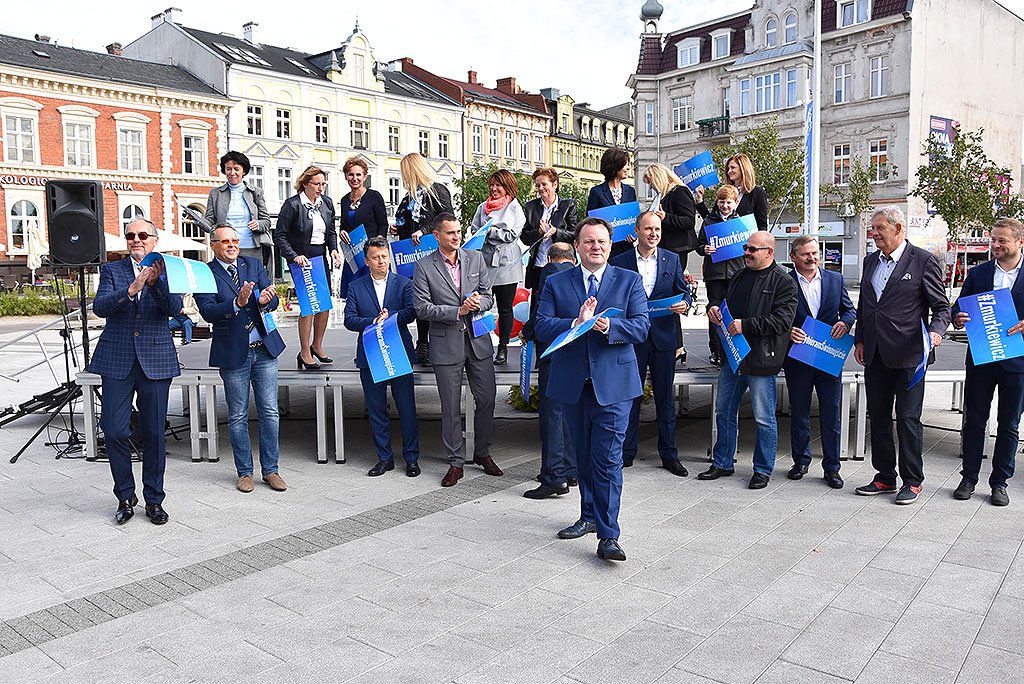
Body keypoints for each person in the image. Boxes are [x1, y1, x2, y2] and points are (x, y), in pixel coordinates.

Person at [535, 217, 651, 562]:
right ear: (577, 246)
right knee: (583, 458)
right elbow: (541, 326)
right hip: (573, 385)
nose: (595, 247)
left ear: (610, 245)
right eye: (588, 241)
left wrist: (607, 325)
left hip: (614, 386)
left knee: (608, 460)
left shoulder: (629, 280)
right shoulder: (557, 282)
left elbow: (641, 327)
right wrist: (576, 323)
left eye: (601, 241)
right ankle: (588, 516)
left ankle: (609, 535)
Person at [854, 206, 951, 504]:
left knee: (908, 418)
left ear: (898, 229)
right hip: (875, 354)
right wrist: (860, 340)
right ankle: (885, 476)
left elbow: (942, 307)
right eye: (872, 228)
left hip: (910, 355)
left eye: (879, 228)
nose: (874, 233)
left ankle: (912, 480)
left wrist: (935, 332)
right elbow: (865, 305)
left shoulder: (923, 260)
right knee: (879, 417)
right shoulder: (871, 261)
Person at [89, 219, 182, 525]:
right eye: (130, 236)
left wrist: (153, 285)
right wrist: (131, 290)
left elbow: (174, 308)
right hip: (117, 359)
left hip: (155, 359)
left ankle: (154, 500)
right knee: (114, 430)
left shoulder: (169, 269)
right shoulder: (111, 270)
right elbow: (100, 307)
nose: (136, 240)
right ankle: (125, 495)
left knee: (154, 433)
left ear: (154, 240)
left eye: (143, 235)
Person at [699, 231, 798, 489]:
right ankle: (723, 462)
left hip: (762, 360)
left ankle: (763, 469)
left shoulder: (784, 281)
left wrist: (747, 325)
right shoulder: (739, 275)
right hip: (734, 358)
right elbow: (725, 304)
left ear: (769, 252)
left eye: (752, 249)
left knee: (764, 418)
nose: (746, 253)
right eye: (746, 247)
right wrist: (714, 307)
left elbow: (783, 322)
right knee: (723, 411)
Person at [412, 212, 503, 487]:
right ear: (437, 235)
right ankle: (455, 461)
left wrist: (479, 303)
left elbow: (488, 296)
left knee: (487, 399)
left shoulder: (475, 258)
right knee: (450, 407)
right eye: (450, 233)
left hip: (478, 341)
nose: (457, 237)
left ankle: (482, 452)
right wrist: (457, 311)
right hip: (445, 343)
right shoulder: (424, 266)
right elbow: (422, 308)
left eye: (459, 232)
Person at [195, 226, 287, 493]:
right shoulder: (205, 273)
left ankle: (271, 470)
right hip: (233, 352)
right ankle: (245, 473)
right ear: (213, 245)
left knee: (270, 411)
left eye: (234, 240)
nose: (231, 245)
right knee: (237, 415)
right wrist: (237, 303)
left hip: (264, 349)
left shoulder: (253, 264)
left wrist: (267, 300)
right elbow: (208, 311)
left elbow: (272, 300)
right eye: (225, 241)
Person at [610, 211, 691, 475]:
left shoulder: (672, 259)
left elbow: (684, 292)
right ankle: (626, 452)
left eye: (657, 229)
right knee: (630, 397)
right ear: (637, 231)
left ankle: (669, 454)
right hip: (632, 340)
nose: (653, 233)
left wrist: (685, 303)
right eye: (648, 229)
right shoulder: (620, 261)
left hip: (664, 339)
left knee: (665, 399)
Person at [952, 218, 1024, 507]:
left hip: (1017, 362)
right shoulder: (979, 273)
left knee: (1009, 424)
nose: (995, 245)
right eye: (993, 239)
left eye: (1002, 240)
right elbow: (959, 305)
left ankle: (1000, 483)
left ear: (1020, 242)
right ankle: (968, 478)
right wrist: (958, 317)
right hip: (982, 358)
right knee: (974, 420)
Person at [344, 236, 420, 478]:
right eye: (375, 257)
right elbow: (349, 319)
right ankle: (384, 459)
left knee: (407, 408)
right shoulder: (356, 286)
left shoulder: (403, 283)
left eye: (384, 256)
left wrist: (391, 317)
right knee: (376, 410)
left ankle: (411, 458)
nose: (381, 261)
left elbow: (411, 312)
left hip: (398, 350)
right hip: (370, 353)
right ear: (366, 261)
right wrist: (373, 321)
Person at [783, 235, 856, 489]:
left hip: (828, 355)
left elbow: (849, 309)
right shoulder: (785, 281)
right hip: (798, 357)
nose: (812, 258)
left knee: (831, 413)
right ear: (793, 256)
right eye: (806, 254)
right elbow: (775, 314)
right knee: (799, 411)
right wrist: (788, 331)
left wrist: (845, 322)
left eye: (815, 253)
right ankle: (801, 461)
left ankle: (832, 467)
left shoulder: (835, 279)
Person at [520, 241, 578, 499]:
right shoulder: (580, 274)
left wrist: (527, 331)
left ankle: (554, 477)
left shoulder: (551, 273)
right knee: (569, 414)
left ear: (551, 258)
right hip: (576, 354)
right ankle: (571, 470)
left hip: (554, 353)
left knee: (552, 416)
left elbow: (540, 310)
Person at [274, 165, 343, 370]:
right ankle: (304, 351)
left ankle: (317, 346)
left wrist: (333, 249)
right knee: (309, 306)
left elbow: (331, 231)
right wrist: (294, 256)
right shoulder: (293, 204)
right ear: (305, 184)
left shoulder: (326, 203)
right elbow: (280, 236)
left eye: (323, 184)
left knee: (324, 304)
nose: (321, 188)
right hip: (301, 259)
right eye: (316, 184)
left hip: (320, 258)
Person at [394, 152, 454, 366]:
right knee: (420, 300)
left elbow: (447, 219)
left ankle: (433, 346)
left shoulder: (437, 191)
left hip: (432, 254)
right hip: (413, 257)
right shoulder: (409, 197)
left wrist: (425, 230)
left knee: (434, 299)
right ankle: (422, 344)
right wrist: (399, 228)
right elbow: (407, 223)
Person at [469, 169, 526, 365]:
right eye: (492, 185)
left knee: (505, 307)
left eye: (498, 185)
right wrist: (483, 233)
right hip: (485, 260)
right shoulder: (483, 207)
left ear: (507, 186)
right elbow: (475, 229)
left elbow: (512, 235)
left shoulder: (514, 207)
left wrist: (491, 231)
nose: (494, 188)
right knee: (481, 305)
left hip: (506, 262)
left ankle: (503, 347)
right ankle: (481, 346)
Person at [643, 163, 697, 363]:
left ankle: (678, 346)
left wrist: (666, 218)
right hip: (665, 249)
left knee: (672, 295)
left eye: (650, 182)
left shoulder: (679, 192)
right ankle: (675, 345)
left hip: (676, 250)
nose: (650, 187)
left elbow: (689, 221)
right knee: (666, 296)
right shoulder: (662, 195)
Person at [697, 185, 746, 366]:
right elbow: (698, 245)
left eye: (729, 202)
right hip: (715, 275)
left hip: (736, 274)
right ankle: (716, 351)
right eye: (722, 202)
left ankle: (733, 349)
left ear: (736, 203)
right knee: (714, 312)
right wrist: (704, 249)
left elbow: (748, 247)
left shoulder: (741, 222)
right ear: (717, 202)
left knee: (734, 312)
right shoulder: (708, 221)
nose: (725, 206)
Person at [205, 151, 273, 276]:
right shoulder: (215, 194)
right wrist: (197, 220)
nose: (232, 173)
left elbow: (267, 222)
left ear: (244, 171)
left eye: (236, 169)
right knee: (228, 281)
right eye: (228, 169)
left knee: (252, 281)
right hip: (225, 248)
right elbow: (209, 223)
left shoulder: (256, 192)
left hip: (251, 247)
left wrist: (258, 224)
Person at [338, 156, 388, 299]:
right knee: (353, 296)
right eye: (351, 174)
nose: (355, 178)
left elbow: (383, 224)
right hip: (353, 256)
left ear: (364, 176)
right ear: (346, 176)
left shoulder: (374, 196)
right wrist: (342, 232)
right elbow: (344, 225)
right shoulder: (344, 200)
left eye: (358, 174)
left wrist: (378, 245)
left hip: (370, 255)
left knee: (372, 295)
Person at [521, 167, 578, 291]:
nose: (540, 188)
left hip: (561, 263)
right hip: (538, 264)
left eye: (544, 184)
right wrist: (539, 232)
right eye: (537, 185)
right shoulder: (530, 207)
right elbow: (524, 237)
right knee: (538, 299)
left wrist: (556, 232)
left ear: (555, 184)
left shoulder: (568, 205)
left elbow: (575, 234)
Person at [695, 153, 769, 230]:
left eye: (733, 168)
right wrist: (700, 200)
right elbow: (711, 221)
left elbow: (762, 225)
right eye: (728, 169)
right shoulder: (725, 191)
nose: (729, 171)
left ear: (743, 169)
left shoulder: (758, 193)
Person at [587, 148, 637, 258]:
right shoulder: (597, 192)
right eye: (625, 164)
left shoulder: (630, 191)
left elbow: (633, 220)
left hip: (626, 249)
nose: (628, 168)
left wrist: (634, 235)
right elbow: (591, 222)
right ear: (615, 166)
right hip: (605, 251)